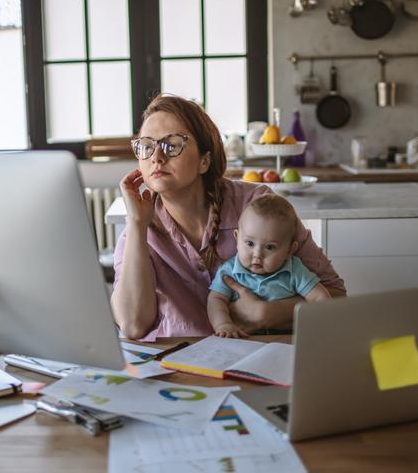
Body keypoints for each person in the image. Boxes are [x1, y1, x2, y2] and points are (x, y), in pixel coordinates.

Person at [111, 94, 345, 340]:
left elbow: (336, 296)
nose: (157, 157)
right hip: (180, 367)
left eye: (172, 144)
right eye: (146, 146)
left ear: (204, 161)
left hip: (263, 355)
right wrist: (137, 224)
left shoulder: (257, 205)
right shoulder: (137, 230)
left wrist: (268, 313)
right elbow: (133, 326)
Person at [208, 194, 331, 338]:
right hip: (244, 339)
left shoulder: (294, 270)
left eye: (270, 247)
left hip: (288, 339)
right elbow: (216, 299)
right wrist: (223, 324)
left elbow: (320, 297)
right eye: (249, 243)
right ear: (237, 238)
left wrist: (323, 322)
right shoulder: (228, 271)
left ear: (290, 250)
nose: (257, 254)